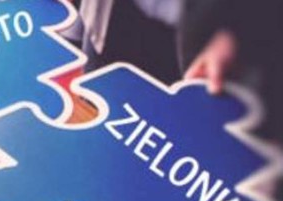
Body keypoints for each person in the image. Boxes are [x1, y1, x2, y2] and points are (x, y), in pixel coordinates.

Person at [75, 0, 282, 141]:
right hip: (114, 19)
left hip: (207, 39)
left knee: (184, 154)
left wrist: (241, 31)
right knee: (95, 136)